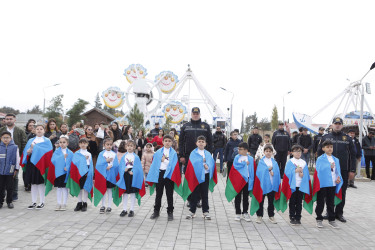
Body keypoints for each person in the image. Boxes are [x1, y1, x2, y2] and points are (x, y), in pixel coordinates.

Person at [317, 117, 356, 223]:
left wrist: (352, 170)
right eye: (335, 123)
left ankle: (339, 213)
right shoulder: (325, 137)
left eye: (339, 123)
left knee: (341, 191)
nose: (337, 125)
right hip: (327, 171)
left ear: (342, 125)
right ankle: (329, 213)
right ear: (332, 125)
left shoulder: (347, 138)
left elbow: (353, 155)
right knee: (327, 192)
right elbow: (319, 153)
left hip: (342, 170)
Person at [148, 135, 182, 221]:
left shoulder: (173, 153)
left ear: (172, 142)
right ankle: (156, 211)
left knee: (169, 194)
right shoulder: (158, 152)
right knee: (158, 194)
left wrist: (164, 161)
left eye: (169, 141)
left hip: (169, 175)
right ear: (163, 142)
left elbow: (173, 165)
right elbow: (154, 164)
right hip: (160, 173)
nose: (167, 142)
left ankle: (170, 212)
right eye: (166, 141)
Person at [185, 135, 216, 220]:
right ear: (196, 143)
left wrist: (208, 167)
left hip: (205, 176)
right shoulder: (193, 153)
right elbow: (191, 164)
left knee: (204, 194)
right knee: (194, 194)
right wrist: (200, 163)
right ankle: (192, 211)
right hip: (196, 176)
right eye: (199, 142)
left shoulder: (208, 154)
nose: (201, 143)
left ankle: (205, 211)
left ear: (205, 144)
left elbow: (211, 164)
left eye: (203, 142)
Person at [21, 125, 53, 209]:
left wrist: (36, 148)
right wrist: (28, 152)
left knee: (40, 183)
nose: (39, 130)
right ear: (34, 131)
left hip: (42, 164)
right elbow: (26, 153)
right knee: (33, 183)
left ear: (44, 131)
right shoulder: (31, 140)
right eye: (37, 129)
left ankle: (42, 202)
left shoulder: (47, 141)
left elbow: (49, 153)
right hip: (32, 163)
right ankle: (33, 202)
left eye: (41, 129)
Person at [314, 140, 343, 229]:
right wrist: (328, 167)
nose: (330, 148)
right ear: (323, 148)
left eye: (331, 147)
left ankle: (331, 219)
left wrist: (338, 178)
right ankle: (319, 218)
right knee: (320, 202)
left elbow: (338, 171)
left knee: (331, 202)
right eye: (327, 147)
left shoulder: (336, 159)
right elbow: (319, 170)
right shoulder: (320, 159)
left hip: (332, 184)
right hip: (323, 184)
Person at [281, 144, 311, 225]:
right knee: (292, 201)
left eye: (299, 151)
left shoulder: (303, 162)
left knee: (299, 202)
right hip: (292, 186)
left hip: (301, 186)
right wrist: (294, 171)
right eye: (296, 151)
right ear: (292, 153)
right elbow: (287, 173)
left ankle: (298, 217)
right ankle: (292, 216)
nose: (298, 153)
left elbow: (306, 174)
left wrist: (302, 174)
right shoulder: (290, 162)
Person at [225, 142, 254, 222]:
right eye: (238, 149)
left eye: (241, 149)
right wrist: (244, 164)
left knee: (245, 197)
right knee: (237, 197)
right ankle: (238, 213)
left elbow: (252, 170)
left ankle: (245, 212)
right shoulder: (237, 157)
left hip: (247, 180)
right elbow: (235, 166)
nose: (239, 151)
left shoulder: (250, 159)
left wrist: (252, 180)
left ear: (246, 150)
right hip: (238, 180)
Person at [0, 113, 27, 201]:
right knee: (2, 177)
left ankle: (14, 195)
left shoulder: (20, 130)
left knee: (14, 177)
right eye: (7, 119)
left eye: (10, 119)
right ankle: (2, 196)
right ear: (4, 120)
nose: (9, 120)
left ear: (15, 119)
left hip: (14, 156)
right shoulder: (1, 130)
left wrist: (21, 156)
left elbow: (24, 143)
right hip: (3, 157)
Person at [252, 144, 280, 224]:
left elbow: (277, 173)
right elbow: (260, 172)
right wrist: (267, 169)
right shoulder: (261, 162)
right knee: (261, 200)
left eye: (270, 151)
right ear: (264, 152)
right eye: (266, 151)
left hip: (272, 185)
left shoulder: (274, 162)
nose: (268, 153)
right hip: (263, 185)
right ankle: (259, 215)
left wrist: (273, 172)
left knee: (271, 201)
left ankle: (271, 215)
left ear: (272, 152)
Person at [117, 140, 144, 217]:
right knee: (125, 192)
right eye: (128, 146)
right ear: (126, 147)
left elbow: (138, 168)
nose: (129, 147)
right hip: (125, 175)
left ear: (134, 147)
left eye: (131, 146)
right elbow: (121, 166)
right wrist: (123, 169)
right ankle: (124, 209)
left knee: (132, 193)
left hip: (133, 176)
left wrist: (134, 171)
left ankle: (132, 209)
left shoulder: (136, 157)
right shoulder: (124, 156)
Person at [67, 138, 94, 212]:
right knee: (79, 187)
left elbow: (90, 164)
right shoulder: (76, 153)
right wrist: (82, 159)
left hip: (86, 171)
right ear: (79, 144)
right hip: (78, 171)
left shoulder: (89, 154)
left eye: (84, 143)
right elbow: (74, 163)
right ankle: (79, 202)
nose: (83, 144)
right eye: (81, 143)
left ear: (87, 144)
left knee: (85, 188)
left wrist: (89, 172)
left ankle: (85, 203)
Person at [94, 138, 119, 214]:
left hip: (111, 175)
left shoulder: (114, 154)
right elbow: (98, 164)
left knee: (109, 190)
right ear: (104, 145)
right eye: (107, 145)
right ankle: (103, 205)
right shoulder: (101, 154)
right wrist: (106, 163)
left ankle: (109, 206)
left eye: (110, 145)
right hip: (103, 175)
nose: (109, 146)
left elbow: (116, 165)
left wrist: (111, 167)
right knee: (103, 190)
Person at [49, 135, 73, 211]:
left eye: (64, 142)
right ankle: (58, 203)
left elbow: (72, 162)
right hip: (58, 172)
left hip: (66, 173)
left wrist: (68, 167)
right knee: (59, 188)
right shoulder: (56, 152)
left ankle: (64, 204)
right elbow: (53, 160)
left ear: (67, 143)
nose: (62, 144)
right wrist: (62, 157)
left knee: (65, 188)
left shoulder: (70, 152)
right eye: (60, 142)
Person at [0, 131, 20, 209]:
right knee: (1, 187)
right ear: (1, 138)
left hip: (10, 171)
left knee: (10, 187)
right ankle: (0, 202)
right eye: (4, 138)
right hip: (0, 171)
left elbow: (17, 159)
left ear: (11, 138)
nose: (5, 139)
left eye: (7, 137)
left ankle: (9, 201)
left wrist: (16, 169)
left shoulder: (15, 147)